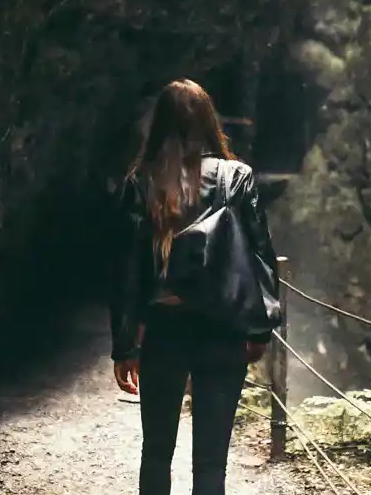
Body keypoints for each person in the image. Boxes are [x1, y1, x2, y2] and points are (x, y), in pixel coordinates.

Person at [109, 78, 282, 495]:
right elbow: (261, 257)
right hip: (222, 328)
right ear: (209, 122)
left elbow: (126, 271)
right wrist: (260, 330)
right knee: (210, 465)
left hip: (164, 330)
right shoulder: (236, 178)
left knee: (155, 454)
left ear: (160, 125)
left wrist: (125, 346)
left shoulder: (143, 182)